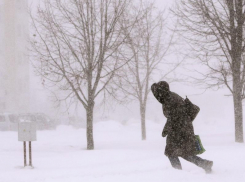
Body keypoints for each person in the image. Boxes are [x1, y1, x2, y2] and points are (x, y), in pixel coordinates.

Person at [151, 81, 213, 173]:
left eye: (157, 92)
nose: (156, 95)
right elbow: (175, 116)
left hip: (179, 129)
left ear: (162, 91)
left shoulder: (170, 99)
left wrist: (166, 129)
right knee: (183, 152)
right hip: (182, 128)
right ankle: (204, 164)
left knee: (172, 152)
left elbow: (174, 116)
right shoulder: (170, 97)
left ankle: (178, 174)